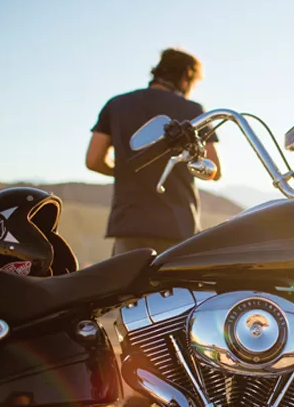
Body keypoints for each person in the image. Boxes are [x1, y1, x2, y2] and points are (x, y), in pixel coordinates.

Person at [85, 48, 222, 256]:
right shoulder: (192, 110)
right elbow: (214, 169)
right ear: (186, 78)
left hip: (129, 223)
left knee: (126, 286)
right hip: (178, 224)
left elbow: (93, 160)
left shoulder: (116, 105)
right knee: (176, 288)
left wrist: (126, 171)